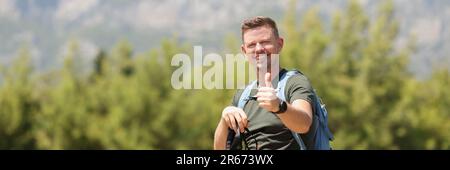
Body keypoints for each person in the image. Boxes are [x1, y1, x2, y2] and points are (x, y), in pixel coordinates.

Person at [213, 16, 317, 150]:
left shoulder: (295, 82)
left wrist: (279, 106)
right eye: (251, 45)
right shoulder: (242, 97)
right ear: (244, 51)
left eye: (265, 42)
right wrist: (224, 120)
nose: (258, 49)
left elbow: (304, 124)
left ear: (279, 44)